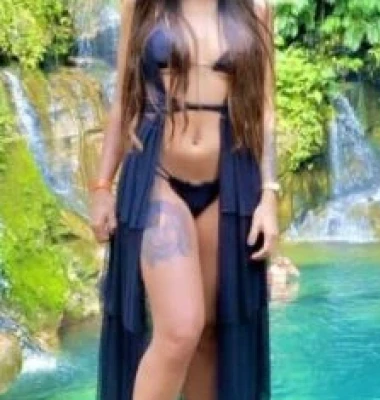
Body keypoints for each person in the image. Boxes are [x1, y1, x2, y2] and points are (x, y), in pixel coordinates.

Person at [89, 0, 279, 399]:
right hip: (158, 178)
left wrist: (269, 194)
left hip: (229, 184)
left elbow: (264, 110)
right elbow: (124, 101)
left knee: (209, 334)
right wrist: (102, 187)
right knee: (180, 330)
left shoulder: (256, 9)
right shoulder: (142, 6)